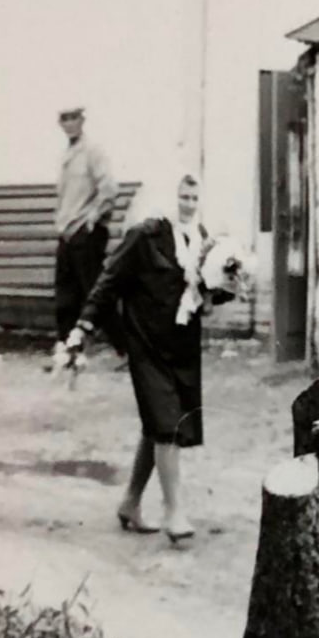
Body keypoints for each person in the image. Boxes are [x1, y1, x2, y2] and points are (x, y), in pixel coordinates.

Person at [65, 174, 218, 545]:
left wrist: (228, 284)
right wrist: (82, 327)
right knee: (166, 423)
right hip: (146, 343)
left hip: (180, 345)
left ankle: (131, 502)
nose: (188, 203)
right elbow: (108, 281)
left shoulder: (201, 237)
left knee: (158, 424)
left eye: (194, 196)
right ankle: (174, 510)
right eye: (182, 195)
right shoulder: (144, 235)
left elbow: (207, 289)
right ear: (168, 196)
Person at [52, 106, 118, 364]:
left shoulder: (93, 151)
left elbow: (109, 189)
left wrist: (92, 218)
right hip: (67, 233)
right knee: (65, 294)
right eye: (64, 119)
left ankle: (125, 348)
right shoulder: (66, 155)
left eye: (73, 118)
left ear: (82, 120)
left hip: (85, 233)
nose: (69, 123)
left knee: (96, 292)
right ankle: (68, 349)